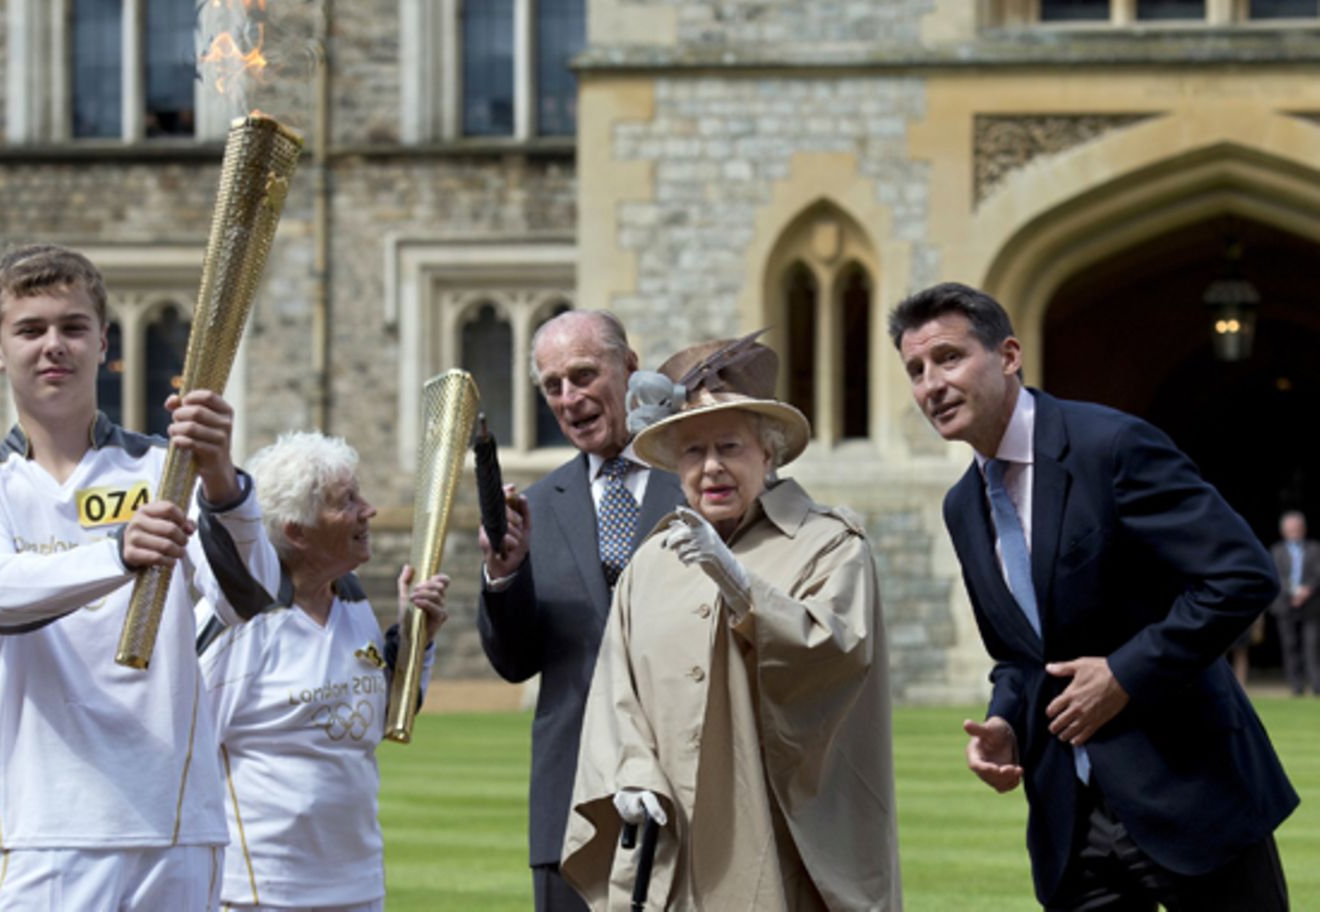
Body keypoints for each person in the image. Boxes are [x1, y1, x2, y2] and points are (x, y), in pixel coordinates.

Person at [890, 282, 1297, 910]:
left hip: (1190, 794)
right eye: (915, 370)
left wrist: (1124, 673)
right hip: (1071, 822)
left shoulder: (1111, 446)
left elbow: (1241, 575)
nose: (931, 385)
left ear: (1008, 356)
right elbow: (1021, 655)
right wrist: (1005, 720)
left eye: (948, 358)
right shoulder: (962, 507)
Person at [0, 244, 279, 910]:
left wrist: (222, 479)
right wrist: (117, 554)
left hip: (173, 820)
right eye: (30, 330)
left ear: (102, 342)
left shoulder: (163, 471)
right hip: (39, 828)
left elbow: (249, 596)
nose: (53, 345)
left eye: (72, 327)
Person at [560, 335, 900, 911]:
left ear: (768, 455)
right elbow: (617, 690)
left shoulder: (830, 546)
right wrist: (632, 770)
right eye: (693, 452)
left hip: (779, 845)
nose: (711, 466)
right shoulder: (652, 561)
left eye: (729, 447)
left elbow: (838, 655)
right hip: (670, 846)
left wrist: (743, 589)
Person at [477, 309, 687, 912]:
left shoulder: (701, 486)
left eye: (584, 375)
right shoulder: (535, 509)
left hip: (688, 794)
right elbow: (514, 663)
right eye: (553, 386)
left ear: (629, 369)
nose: (569, 398)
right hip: (572, 807)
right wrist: (504, 573)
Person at [197, 431, 449, 911]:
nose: (368, 510)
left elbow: (373, 722)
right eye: (347, 501)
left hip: (357, 884)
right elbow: (183, 749)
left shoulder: (351, 599)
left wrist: (417, 639)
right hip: (259, 892)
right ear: (297, 530)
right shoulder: (239, 620)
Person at [1270, 510, 1320, 696]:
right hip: (1285, 604)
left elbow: (1318, 573)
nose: (1294, 531)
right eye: (1290, 528)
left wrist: (1306, 590)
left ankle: (1316, 686)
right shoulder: (1276, 550)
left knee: (1312, 646)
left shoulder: (1315, 549)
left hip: (1312, 605)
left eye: (1297, 528)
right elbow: (1275, 575)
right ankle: (1296, 687)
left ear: (1303, 529)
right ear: (1283, 531)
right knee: (1290, 646)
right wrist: (1292, 591)